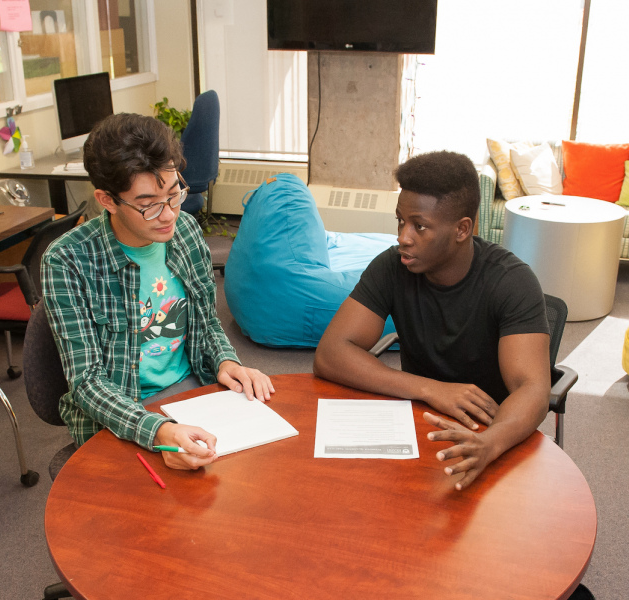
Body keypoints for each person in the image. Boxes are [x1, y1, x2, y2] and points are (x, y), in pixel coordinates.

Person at [42, 113, 274, 471]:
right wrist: (159, 431)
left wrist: (226, 361)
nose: (168, 214)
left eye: (174, 193)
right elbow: (87, 382)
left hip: (192, 389)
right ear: (107, 200)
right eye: (149, 204)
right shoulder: (67, 261)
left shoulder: (184, 230)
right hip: (120, 409)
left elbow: (206, 323)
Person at [313, 150, 550, 490]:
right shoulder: (393, 266)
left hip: (493, 435)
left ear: (462, 229)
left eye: (419, 226)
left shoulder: (511, 281)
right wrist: (430, 389)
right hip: (417, 422)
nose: (403, 237)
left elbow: (533, 389)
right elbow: (330, 353)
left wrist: (491, 442)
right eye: (400, 221)